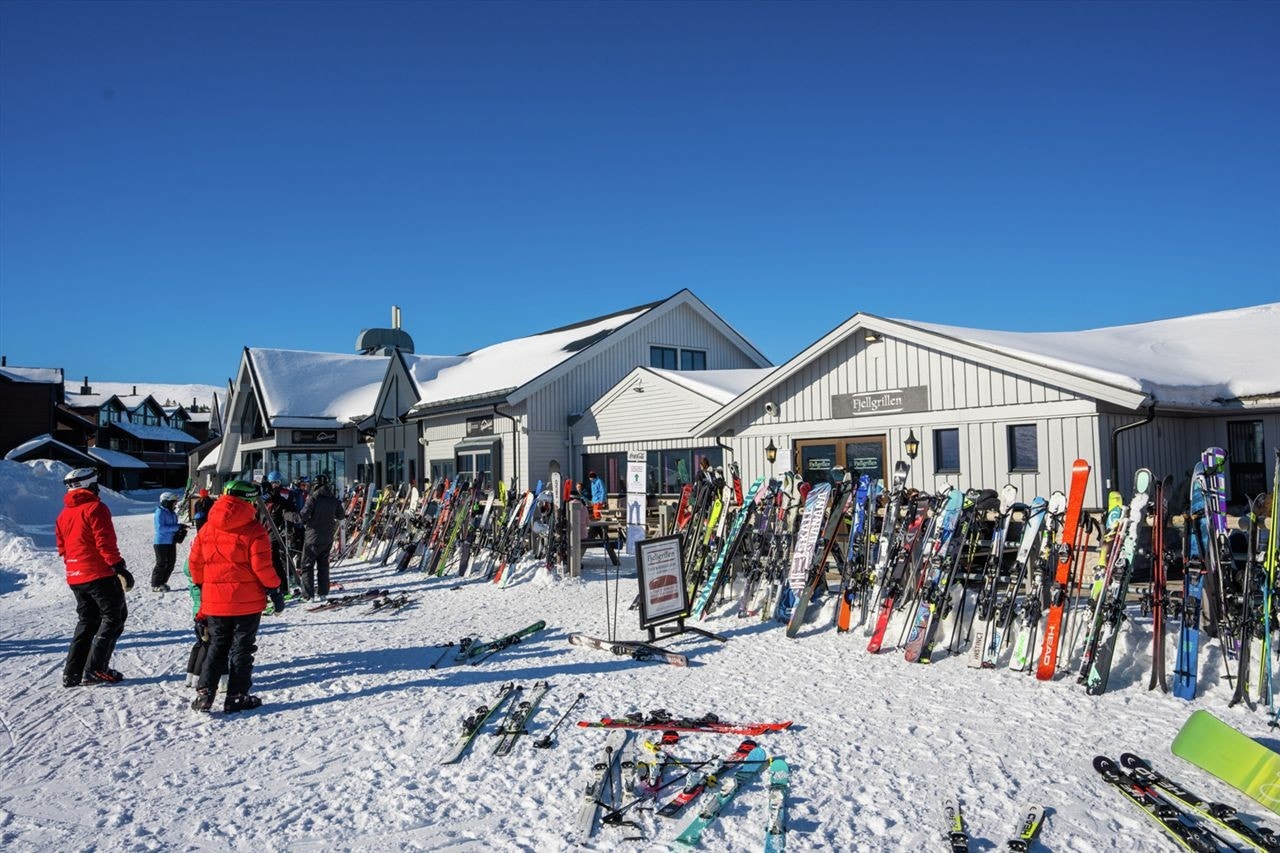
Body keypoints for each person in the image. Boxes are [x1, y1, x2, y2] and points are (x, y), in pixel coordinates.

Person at [189, 479, 285, 713]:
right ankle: (237, 696)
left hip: (215, 601)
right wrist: (275, 589)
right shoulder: (254, 529)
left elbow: (195, 564)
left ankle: (205, 693)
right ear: (248, 501)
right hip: (246, 602)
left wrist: (205, 588)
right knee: (242, 648)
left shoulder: (207, 528)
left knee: (217, 646)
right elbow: (262, 567)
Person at [55, 466, 133, 686]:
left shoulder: (64, 514)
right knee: (114, 617)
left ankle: (72, 672)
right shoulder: (95, 508)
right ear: (90, 486)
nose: (98, 489)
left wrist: (75, 567)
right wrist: (119, 567)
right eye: (96, 485)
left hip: (75, 576)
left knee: (88, 621)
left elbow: (62, 547)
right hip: (98, 574)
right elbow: (104, 541)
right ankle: (96, 669)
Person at [299, 473, 347, 601]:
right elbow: (341, 515)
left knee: (307, 566)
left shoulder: (313, 498)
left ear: (316, 485)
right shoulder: (333, 499)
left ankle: (308, 596)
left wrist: (289, 515)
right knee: (323, 566)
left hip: (312, 538)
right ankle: (323, 593)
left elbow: (303, 516)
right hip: (327, 537)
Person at [151, 491, 185, 591]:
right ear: (166, 502)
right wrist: (177, 527)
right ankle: (156, 585)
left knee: (171, 563)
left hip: (171, 542)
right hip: (161, 542)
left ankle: (162, 582)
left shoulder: (172, 512)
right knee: (161, 563)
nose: (175, 505)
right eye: (173, 502)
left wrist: (181, 529)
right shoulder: (160, 512)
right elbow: (160, 528)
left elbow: (173, 526)